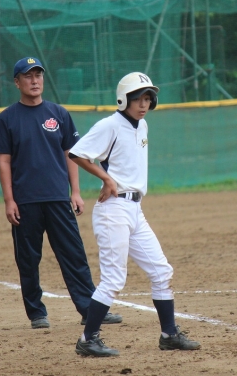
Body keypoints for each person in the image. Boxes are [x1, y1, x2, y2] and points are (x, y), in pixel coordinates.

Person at [68, 72, 201, 357]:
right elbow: (77, 154)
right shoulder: (110, 125)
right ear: (123, 99)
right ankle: (88, 339)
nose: (144, 104)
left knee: (161, 271)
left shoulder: (143, 125)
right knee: (114, 279)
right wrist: (107, 178)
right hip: (113, 210)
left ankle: (169, 335)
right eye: (138, 98)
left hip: (135, 209)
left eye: (148, 99)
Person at [0, 56, 122, 329]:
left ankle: (89, 309)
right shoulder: (7, 118)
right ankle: (37, 313)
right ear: (17, 82)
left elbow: (70, 154)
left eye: (38, 75)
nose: (34, 80)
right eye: (27, 76)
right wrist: (9, 200)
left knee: (74, 255)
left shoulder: (58, 114)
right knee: (28, 260)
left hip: (58, 198)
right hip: (25, 201)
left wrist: (76, 192)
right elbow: (4, 162)